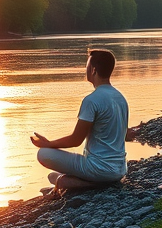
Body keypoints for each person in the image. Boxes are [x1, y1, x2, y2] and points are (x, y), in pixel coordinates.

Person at [30, 48, 135, 192]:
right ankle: (78, 180)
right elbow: (123, 135)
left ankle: (93, 184)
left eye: (87, 65)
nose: (85, 69)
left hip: (99, 168)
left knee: (43, 154)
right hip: (120, 169)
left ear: (93, 70)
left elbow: (76, 140)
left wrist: (48, 144)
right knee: (53, 176)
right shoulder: (120, 98)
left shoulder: (91, 100)